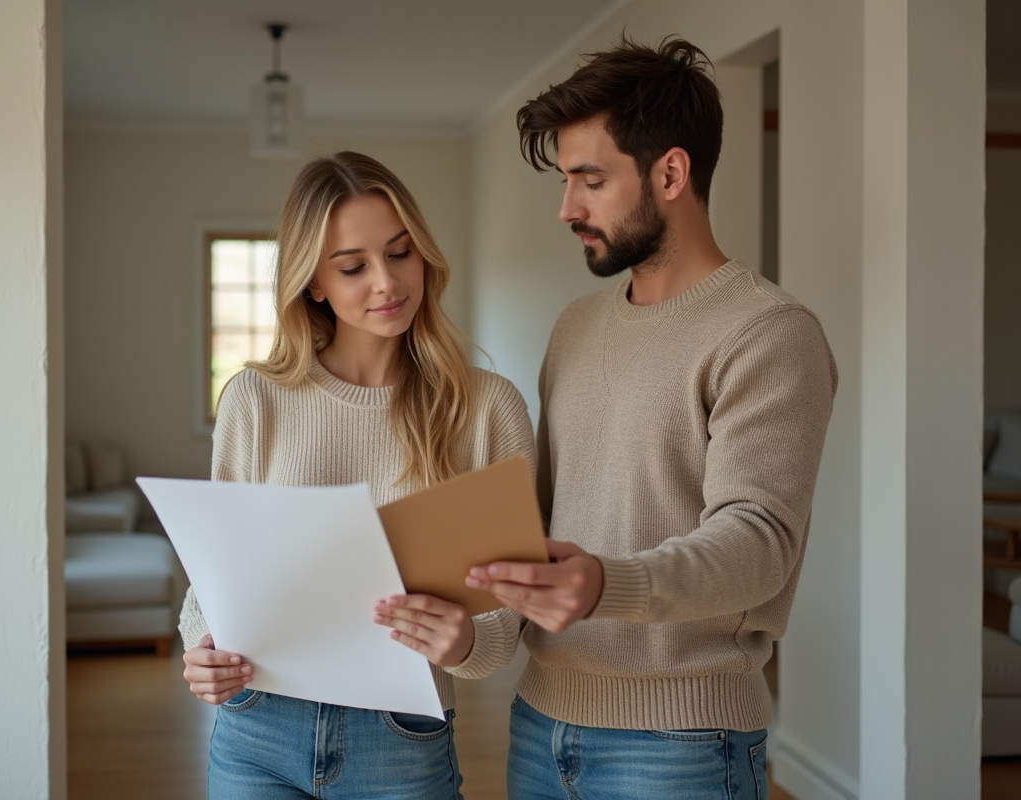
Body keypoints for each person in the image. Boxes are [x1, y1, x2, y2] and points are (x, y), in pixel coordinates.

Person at [446, 36, 839, 800]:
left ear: (670, 172)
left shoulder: (769, 333)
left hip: (683, 742)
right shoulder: (574, 326)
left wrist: (608, 585)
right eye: (566, 181)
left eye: (590, 180)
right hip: (540, 720)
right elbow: (543, 517)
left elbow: (760, 543)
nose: (567, 209)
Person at [178, 151, 534, 800]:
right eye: (353, 267)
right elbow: (213, 576)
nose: (387, 282)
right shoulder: (255, 400)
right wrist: (199, 647)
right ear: (312, 282)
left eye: (400, 253)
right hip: (258, 725)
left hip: (401, 735)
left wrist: (463, 643)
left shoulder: (487, 408)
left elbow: (509, 611)